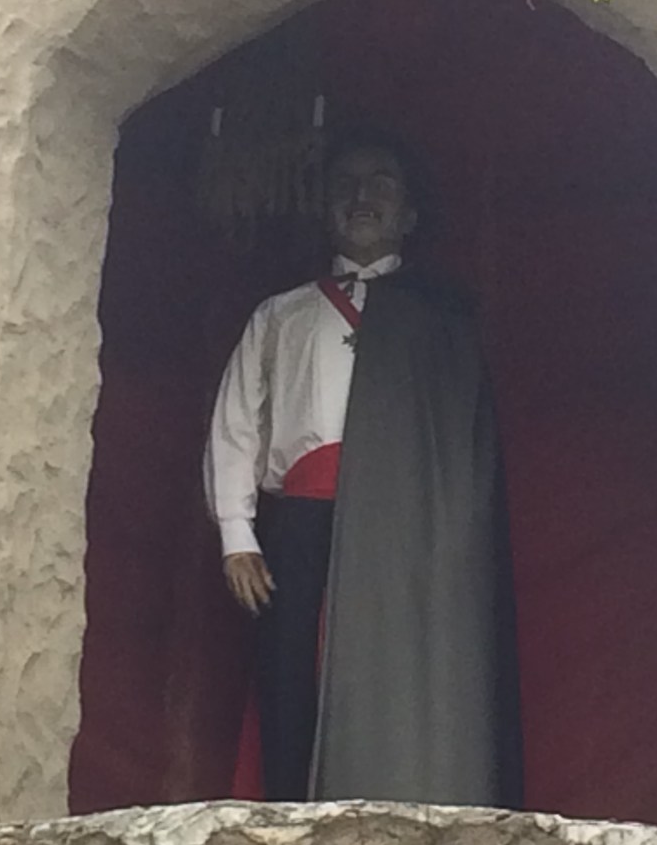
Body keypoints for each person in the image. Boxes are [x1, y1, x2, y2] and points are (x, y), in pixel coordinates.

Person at [204, 130, 522, 805]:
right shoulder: (281, 314)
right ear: (325, 207)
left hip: (410, 529)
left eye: (381, 183)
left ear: (409, 212)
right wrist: (237, 534)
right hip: (300, 523)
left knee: (395, 672)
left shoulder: (443, 321)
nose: (362, 197)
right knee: (293, 672)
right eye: (346, 184)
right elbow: (238, 423)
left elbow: (462, 454)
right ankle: (293, 817)